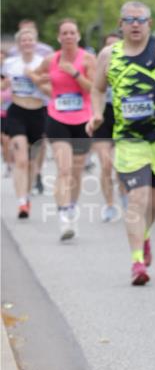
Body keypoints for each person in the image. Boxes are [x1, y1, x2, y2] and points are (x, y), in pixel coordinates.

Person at [87, 2, 155, 285]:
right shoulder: (109, 55)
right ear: (120, 24)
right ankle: (137, 262)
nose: (135, 25)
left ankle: (145, 235)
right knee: (137, 199)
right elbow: (97, 89)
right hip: (129, 139)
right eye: (129, 20)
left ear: (149, 22)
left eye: (141, 20)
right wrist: (97, 114)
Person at [32, 19, 96, 241]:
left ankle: (71, 207)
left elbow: (95, 88)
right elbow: (35, 76)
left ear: (78, 36)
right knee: (64, 169)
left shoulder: (87, 59)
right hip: (57, 117)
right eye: (64, 33)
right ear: (59, 38)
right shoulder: (50, 60)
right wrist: (44, 84)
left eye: (72, 33)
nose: (68, 36)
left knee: (77, 171)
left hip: (82, 120)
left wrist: (75, 74)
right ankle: (63, 218)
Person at [1, 27, 48, 218]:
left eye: (30, 40)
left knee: (30, 162)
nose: (27, 43)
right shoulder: (10, 64)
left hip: (38, 112)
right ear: (19, 44)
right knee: (20, 160)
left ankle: (27, 195)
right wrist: (6, 84)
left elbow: (50, 91)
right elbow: (3, 84)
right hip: (17, 111)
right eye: (24, 40)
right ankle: (21, 202)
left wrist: (35, 79)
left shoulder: (43, 63)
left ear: (35, 43)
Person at [91, 32, 122, 222]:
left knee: (123, 165)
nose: (112, 50)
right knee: (106, 164)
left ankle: (126, 196)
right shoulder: (96, 66)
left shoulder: (133, 65)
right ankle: (110, 205)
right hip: (102, 116)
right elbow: (91, 90)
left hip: (124, 116)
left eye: (115, 46)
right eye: (108, 46)